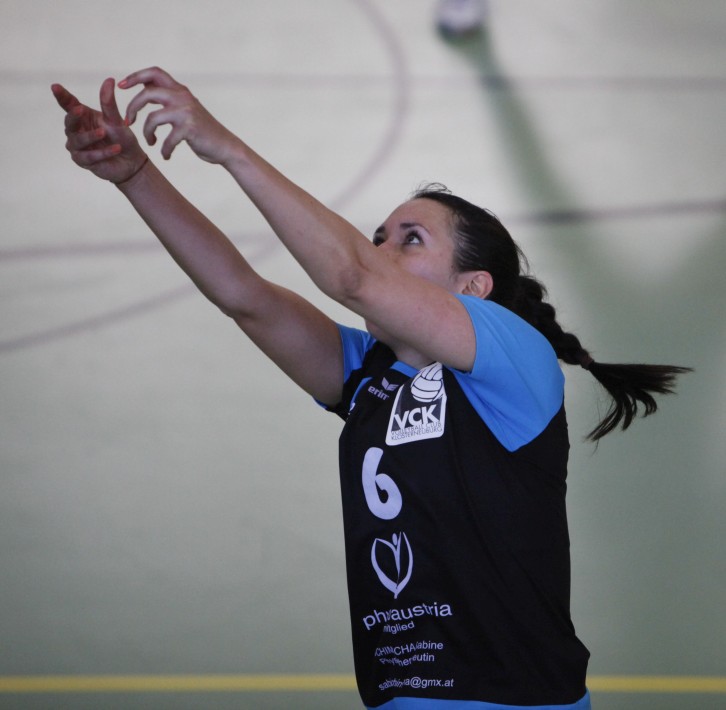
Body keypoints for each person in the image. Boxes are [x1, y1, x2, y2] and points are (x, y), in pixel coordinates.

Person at [52, 68, 688, 710]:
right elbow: (244, 296)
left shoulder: (511, 356)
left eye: (410, 241)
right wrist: (135, 175)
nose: (381, 249)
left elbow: (352, 276)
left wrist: (228, 148)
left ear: (473, 289)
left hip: (515, 702)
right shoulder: (366, 373)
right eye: (379, 236)